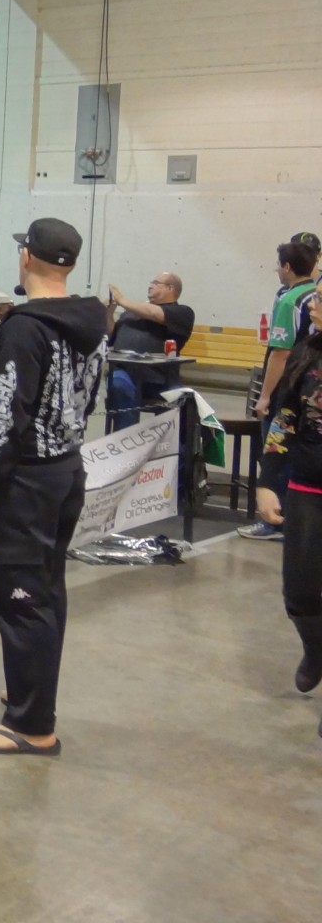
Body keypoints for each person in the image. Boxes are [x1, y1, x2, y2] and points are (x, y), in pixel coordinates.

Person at [0, 219, 108, 756]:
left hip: (26, 479)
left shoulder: (24, 328)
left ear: (26, 258)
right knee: (45, 590)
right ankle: (30, 688)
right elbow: (89, 396)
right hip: (66, 468)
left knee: (21, 597)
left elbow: (5, 415)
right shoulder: (93, 321)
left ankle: (31, 725)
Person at [254, 291, 322, 738]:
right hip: (307, 487)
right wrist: (266, 481)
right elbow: (284, 419)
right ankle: (316, 649)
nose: (313, 305)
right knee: (299, 592)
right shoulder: (305, 353)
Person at [242, 241, 318, 540]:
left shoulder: (291, 300)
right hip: (307, 393)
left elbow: (280, 353)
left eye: (278, 264)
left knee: (279, 449)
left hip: (289, 390)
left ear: (287, 267)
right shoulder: (313, 294)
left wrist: (265, 396)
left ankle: (276, 520)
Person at [104, 272, 195, 431]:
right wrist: (109, 313)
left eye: (155, 282)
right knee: (119, 386)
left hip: (160, 377)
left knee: (178, 399)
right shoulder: (131, 313)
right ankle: (126, 438)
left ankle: (170, 443)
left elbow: (154, 313)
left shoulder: (182, 312)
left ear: (170, 288)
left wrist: (122, 300)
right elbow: (111, 335)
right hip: (125, 372)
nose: (150, 285)